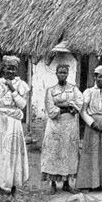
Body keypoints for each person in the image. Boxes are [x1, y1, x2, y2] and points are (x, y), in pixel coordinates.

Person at [0, 55, 30, 195]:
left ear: (16, 71)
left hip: (13, 123)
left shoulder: (21, 85)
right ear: (3, 69)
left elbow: (22, 105)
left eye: (13, 69)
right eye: (8, 69)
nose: (10, 72)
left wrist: (12, 89)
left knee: (12, 154)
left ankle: (13, 186)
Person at [41, 64, 84, 194]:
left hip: (70, 125)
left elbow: (79, 103)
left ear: (68, 74)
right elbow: (51, 108)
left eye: (65, 73)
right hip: (55, 126)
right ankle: (53, 184)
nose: (62, 75)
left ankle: (66, 183)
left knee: (69, 152)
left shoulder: (74, 89)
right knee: (54, 152)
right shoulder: (51, 90)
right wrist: (67, 107)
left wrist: (62, 105)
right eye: (60, 72)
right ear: (56, 73)